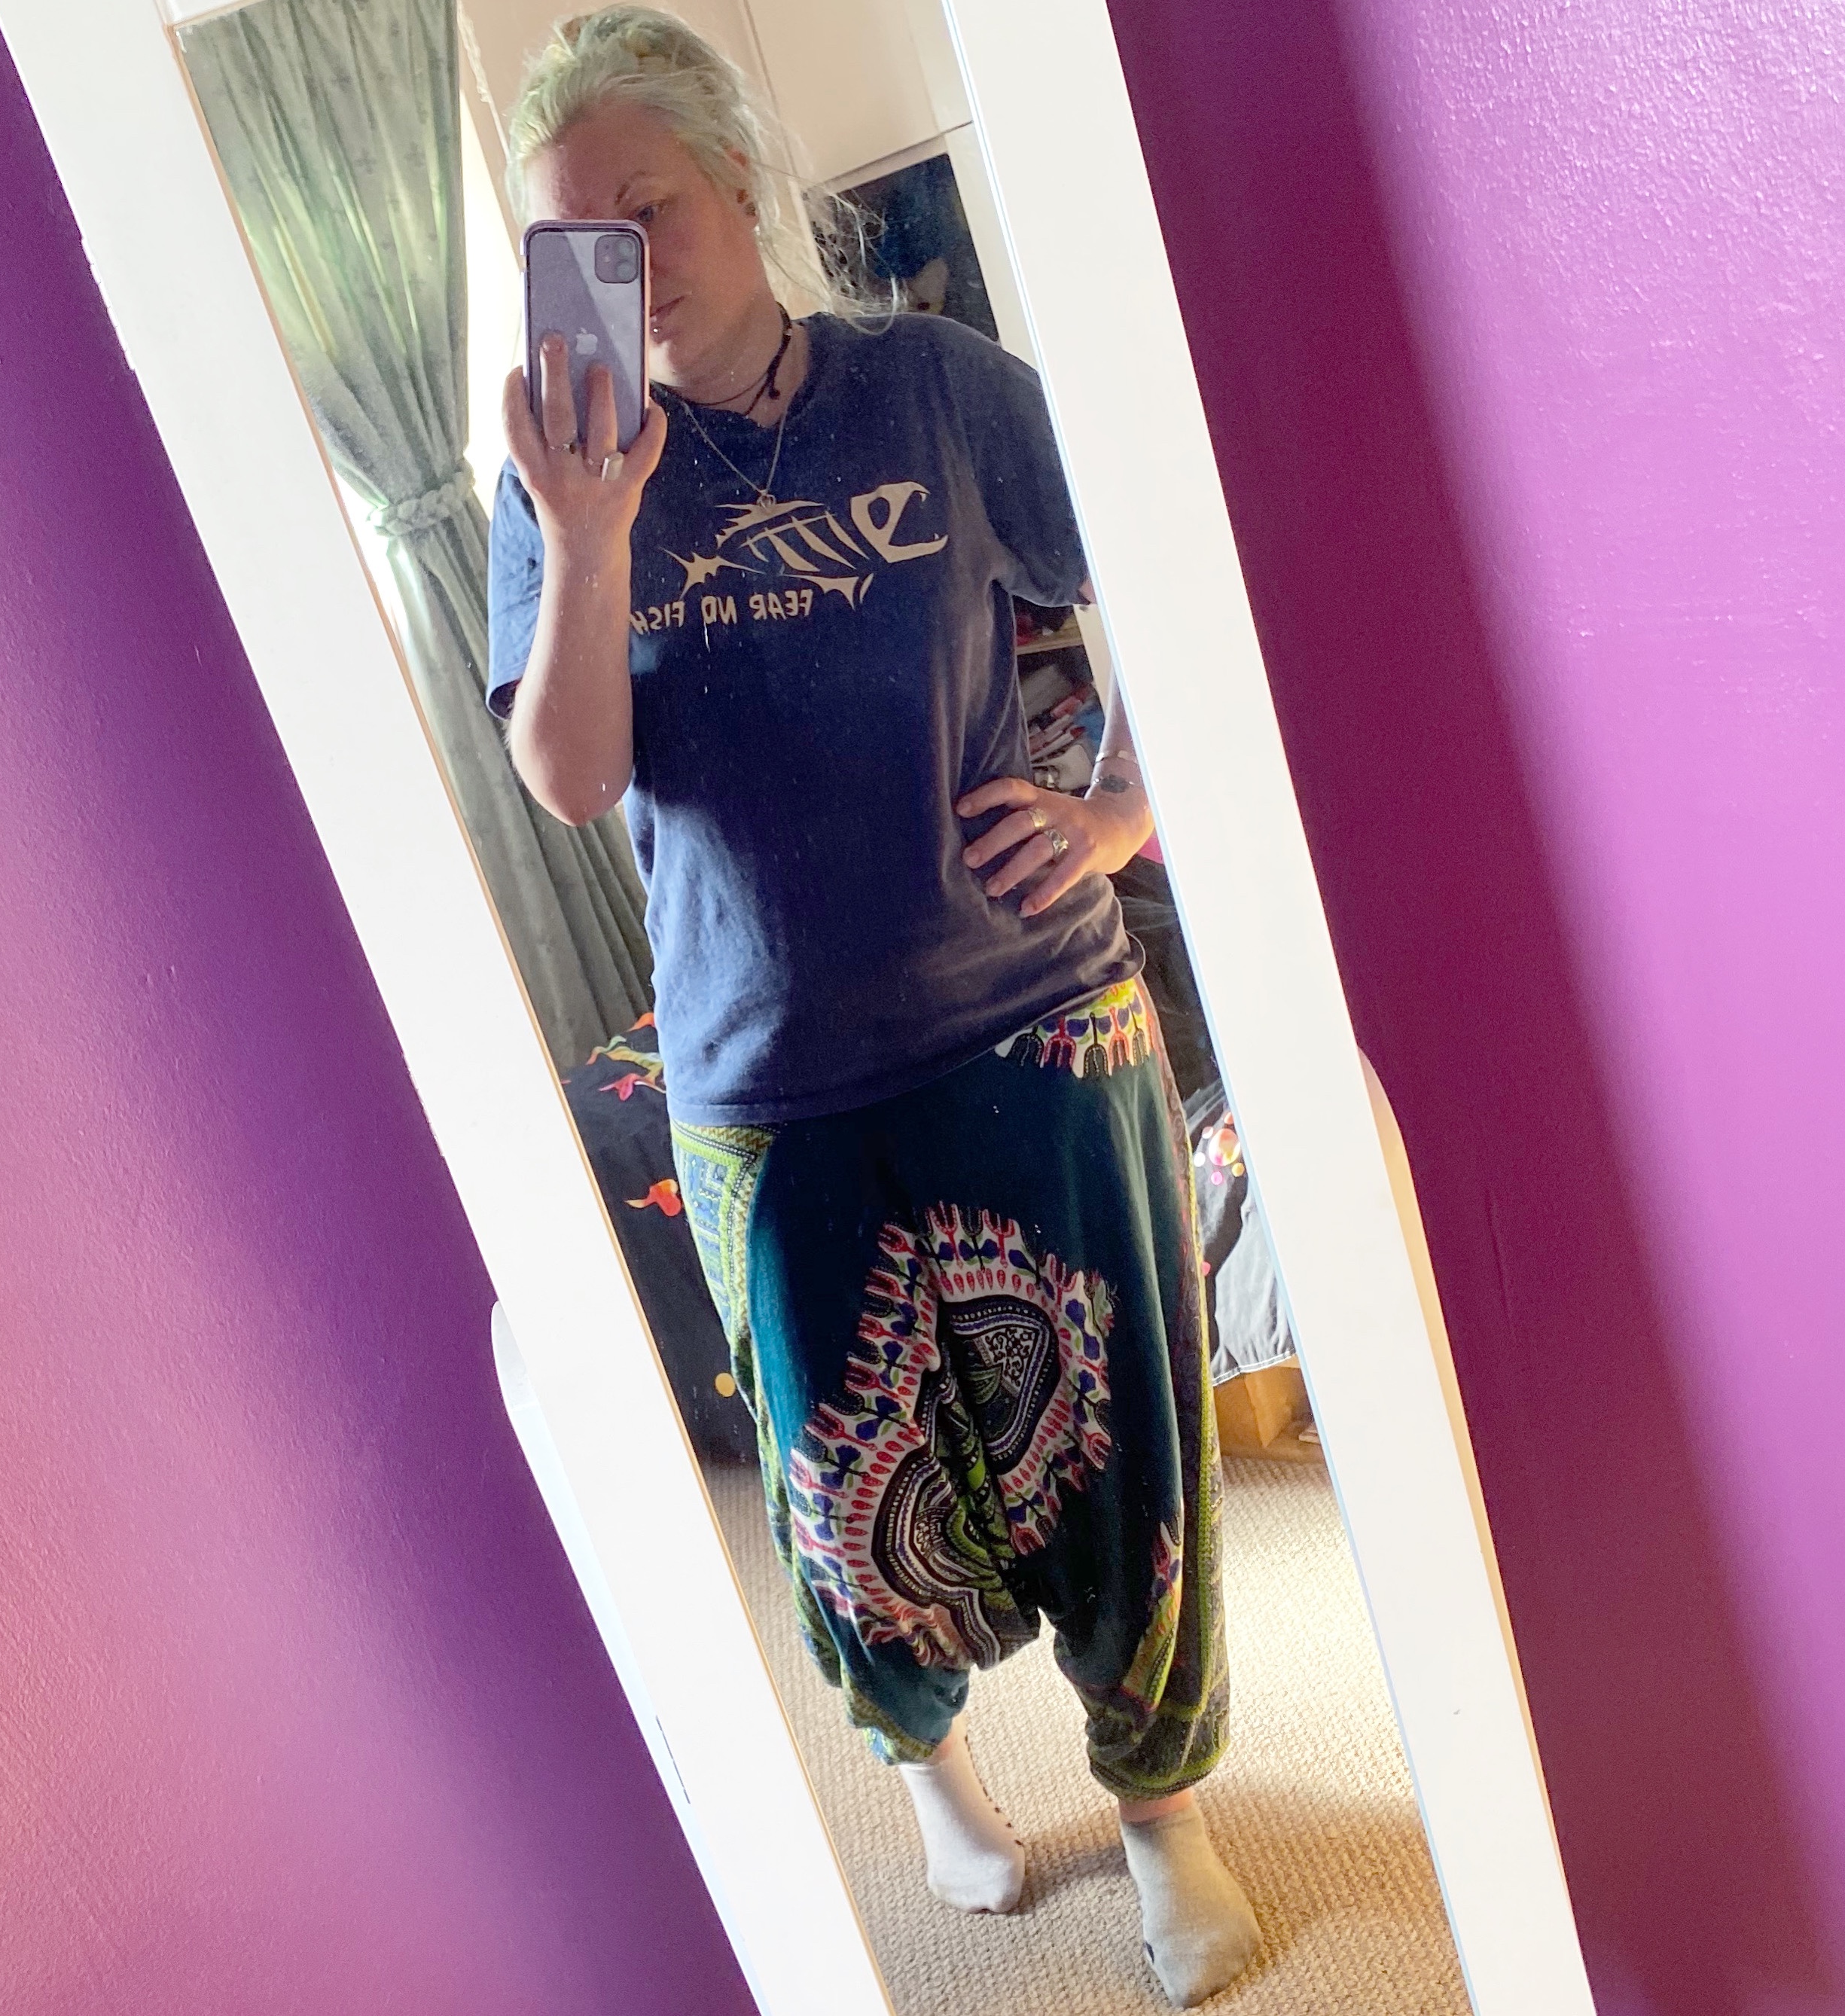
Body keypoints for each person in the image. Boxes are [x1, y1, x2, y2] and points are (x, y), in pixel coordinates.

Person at [489, 11, 1258, 2004]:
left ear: (739, 184)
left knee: (1125, 1456)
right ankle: (931, 1777)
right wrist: (587, 536)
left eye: (646, 206)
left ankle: (1164, 1813)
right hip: (766, 1077)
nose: (620, 261)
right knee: (843, 1501)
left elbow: (1172, 560)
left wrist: (1120, 811)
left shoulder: (933, 390)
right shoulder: (556, 484)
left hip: (1034, 1019)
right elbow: (571, 779)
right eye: (572, 238)